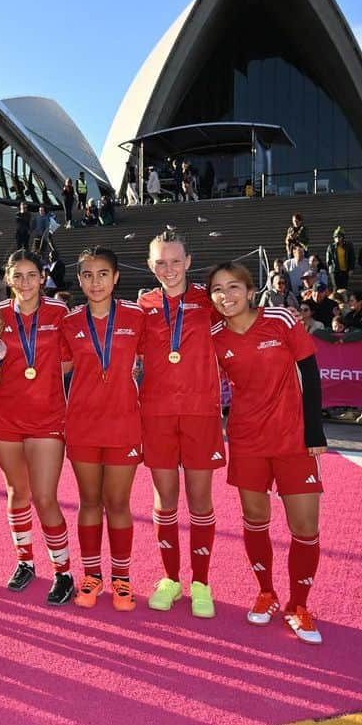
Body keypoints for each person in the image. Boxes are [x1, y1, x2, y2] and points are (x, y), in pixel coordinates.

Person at [208, 262, 327, 645]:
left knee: (304, 527)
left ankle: (299, 605)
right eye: (218, 290)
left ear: (250, 288)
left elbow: (309, 370)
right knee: (255, 517)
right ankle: (266, 592)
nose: (227, 296)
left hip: (294, 439)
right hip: (246, 440)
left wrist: (315, 430)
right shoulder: (214, 337)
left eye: (234, 286)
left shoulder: (279, 319)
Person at [139, 229, 225, 619]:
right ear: (150, 265)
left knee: (201, 500)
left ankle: (201, 582)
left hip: (200, 413)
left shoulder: (209, 304)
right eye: (161, 262)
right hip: (156, 414)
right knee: (165, 501)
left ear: (189, 263)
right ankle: (170, 578)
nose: (169, 269)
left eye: (175, 261)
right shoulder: (142, 305)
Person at [60, 247, 145, 612]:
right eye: (88, 275)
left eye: (103, 274)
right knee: (90, 502)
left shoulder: (137, 317)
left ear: (116, 277)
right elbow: (55, 371)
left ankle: (122, 578)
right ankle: (92, 574)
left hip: (124, 424)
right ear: (79, 280)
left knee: (118, 503)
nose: (96, 282)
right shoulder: (70, 323)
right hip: (81, 424)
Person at [0, 251, 73, 602]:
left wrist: (39, 376)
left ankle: (63, 571)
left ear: (43, 278)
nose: (25, 282)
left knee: (44, 496)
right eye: (17, 276)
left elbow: (68, 362)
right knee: (17, 493)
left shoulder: (59, 313)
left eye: (31, 275)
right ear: (8, 279)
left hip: (47, 417)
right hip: (4, 416)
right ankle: (25, 562)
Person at [325, 227, 355, 292]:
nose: (338, 238)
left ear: (343, 237)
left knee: (344, 287)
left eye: (339, 237)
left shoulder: (348, 246)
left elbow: (352, 258)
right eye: (336, 237)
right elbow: (328, 260)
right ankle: (335, 300)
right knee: (336, 287)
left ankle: (344, 300)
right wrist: (331, 270)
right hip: (335, 271)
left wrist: (351, 269)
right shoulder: (331, 247)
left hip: (345, 270)